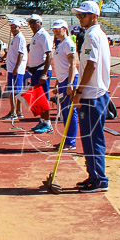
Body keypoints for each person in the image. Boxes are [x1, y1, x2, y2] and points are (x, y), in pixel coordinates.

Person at [68, 1, 111, 193]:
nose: (80, 19)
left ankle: (99, 179)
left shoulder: (93, 35)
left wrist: (78, 92)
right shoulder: (94, 35)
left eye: (83, 15)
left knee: (93, 139)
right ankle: (93, 175)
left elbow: (91, 66)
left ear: (94, 16)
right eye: (78, 16)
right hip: (93, 93)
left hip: (92, 95)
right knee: (89, 138)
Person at [51, 19, 78, 151]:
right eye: (54, 30)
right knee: (65, 111)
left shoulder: (68, 43)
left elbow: (72, 63)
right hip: (62, 80)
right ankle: (67, 139)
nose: (55, 32)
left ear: (64, 29)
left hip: (69, 79)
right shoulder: (60, 44)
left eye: (58, 30)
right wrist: (57, 82)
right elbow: (60, 65)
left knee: (70, 111)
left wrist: (70, 83)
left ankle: (71, 141)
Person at [24, 14, 54, 133]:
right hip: (36, 70)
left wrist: (44, 73)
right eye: (30, 23)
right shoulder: (36, 36)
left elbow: (49, 54)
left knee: (43, 98)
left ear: (40, 22)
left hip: (42, 70)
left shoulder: (43, 35)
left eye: (33, 22)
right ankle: (42, 120)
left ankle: (48, 123)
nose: (31, 25)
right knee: (36, 97)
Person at [1, 17, 28, 120]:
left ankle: (14, 112)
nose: (12, 29)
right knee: (16, 90)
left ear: (19, 27)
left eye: (14, 27)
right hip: (12, 67)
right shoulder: (15, 38)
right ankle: (18, 111)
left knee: (13, 91)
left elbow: (21, 54)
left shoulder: (20, 38)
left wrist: (16, 68)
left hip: (15, 69)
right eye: (11, 27)